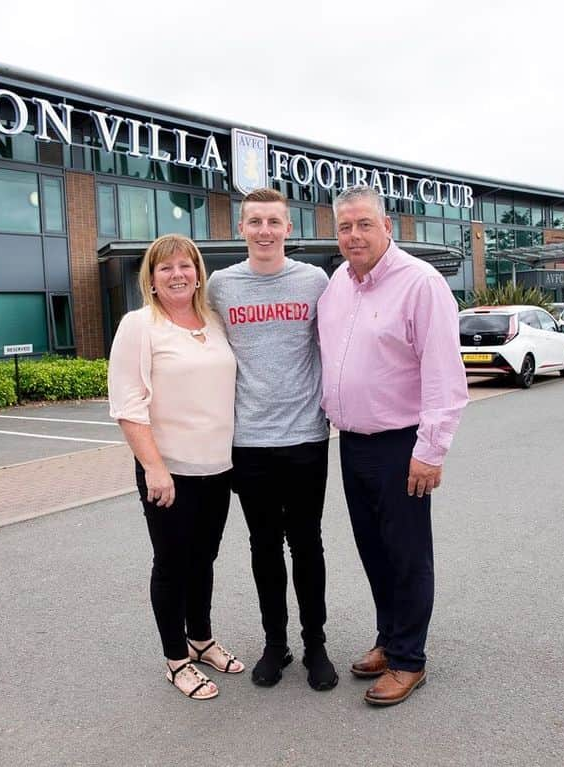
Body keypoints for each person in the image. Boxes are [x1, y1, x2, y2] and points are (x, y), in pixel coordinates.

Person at [317, 186, 468, 706]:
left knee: (406, 555)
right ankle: (389, 637)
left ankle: (409, 659)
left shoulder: (420, 284)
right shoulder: (338, 283)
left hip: (402, 444)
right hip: (352, 442)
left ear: (388, 225)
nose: (353, 235)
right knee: (373, 551)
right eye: (344, 227)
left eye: (363, 224)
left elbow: (445, 375)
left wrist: (431, 450)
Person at [207, 188, 338, 691]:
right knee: (263, 546)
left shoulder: (313, 281)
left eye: (274, 222)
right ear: (242, 229)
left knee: (307, 543)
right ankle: (275, 644)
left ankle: (315, 645)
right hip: (249, 442)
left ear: (288, 229)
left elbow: (338, 343)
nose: (265, 230)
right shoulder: (221, 286)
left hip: (306, 437)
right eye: (255, 221)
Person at [108, 233, 244, 701]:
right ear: (151, 278)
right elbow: (128, 404)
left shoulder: (212, 320)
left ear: (198, 273)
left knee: (203, 558)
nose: (177, 274)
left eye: (185, 266)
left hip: (217, 468)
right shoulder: (139, 325)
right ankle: (176, 660)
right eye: (165, 268)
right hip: (170, 471)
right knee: (171, 564)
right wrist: (154, 467)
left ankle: (200, 639)